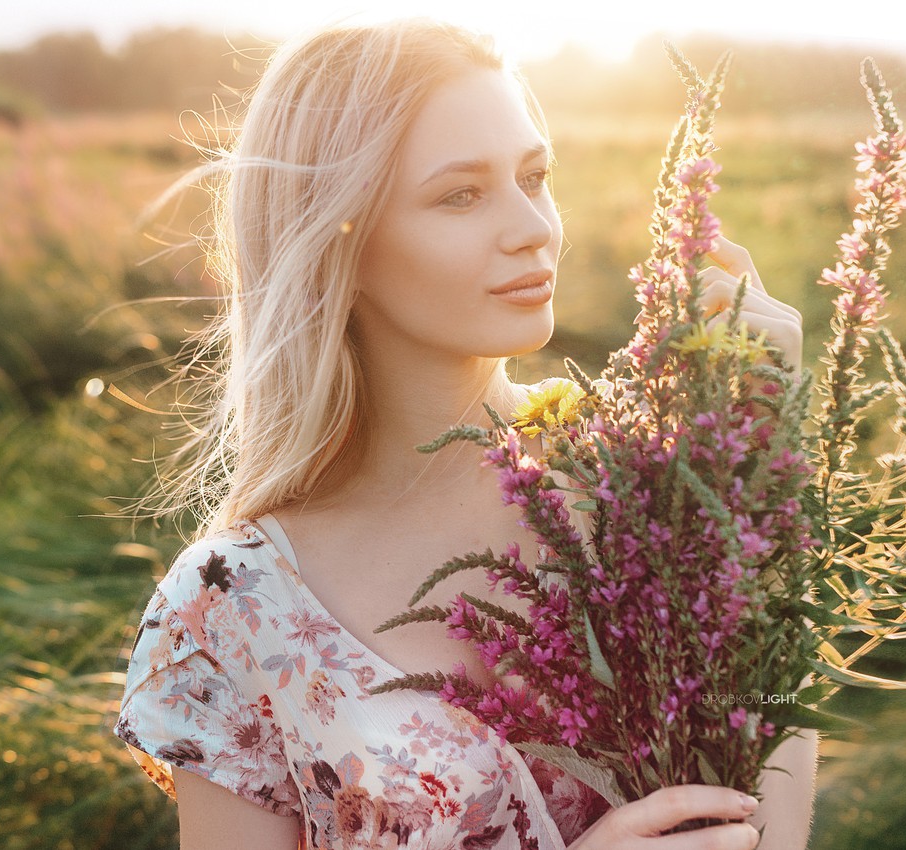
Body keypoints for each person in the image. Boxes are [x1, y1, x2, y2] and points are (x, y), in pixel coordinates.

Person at [114, 17, 815, 850]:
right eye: (461, 195)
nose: (534, 227)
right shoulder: (233, 608)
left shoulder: (642, 478)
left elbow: (769, 798)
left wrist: (761, 461)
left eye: (536, 176)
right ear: (341, 237)